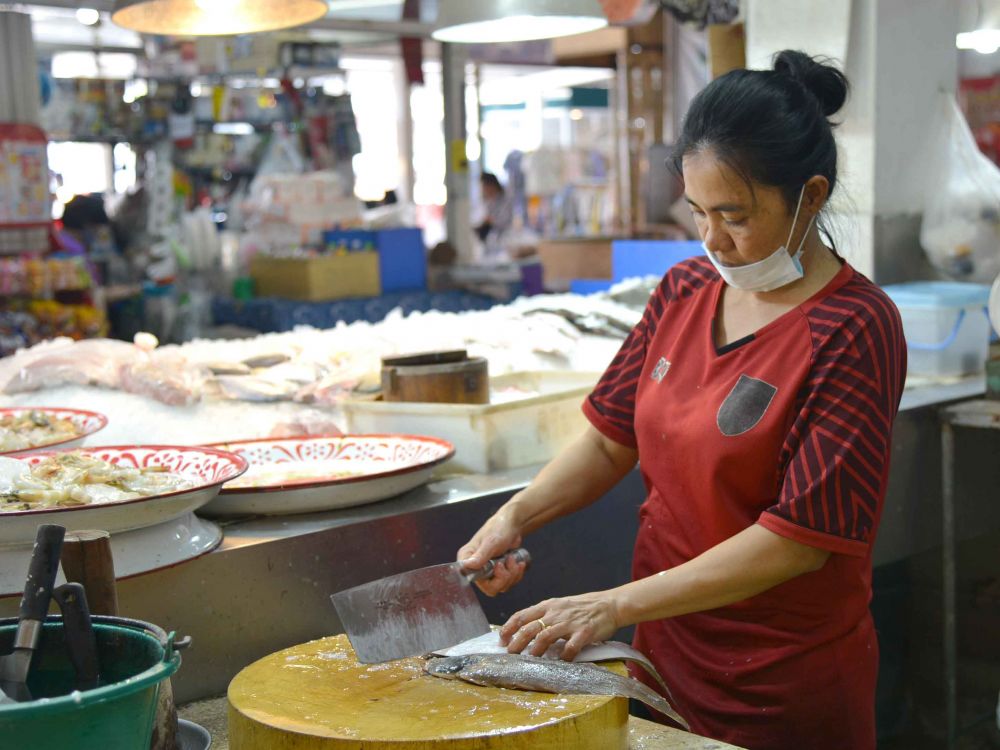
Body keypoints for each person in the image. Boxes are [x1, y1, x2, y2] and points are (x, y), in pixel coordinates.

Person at [456, 51, 906, 750]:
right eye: (697, 212)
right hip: (661, 662)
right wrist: (516, 515)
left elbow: (797, 542)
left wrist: (610, 605)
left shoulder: (853, 326)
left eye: (735, 215)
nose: (712, 238)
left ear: (810, 197)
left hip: (783, 684)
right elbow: (609, 440)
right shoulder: (684, 291)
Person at [474, 172, 513, 254]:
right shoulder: (486, 201)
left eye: (484, 187)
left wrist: (491, 220)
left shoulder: (505, 200)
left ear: (491, 185)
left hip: (505, 240)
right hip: (491, 241)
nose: (483, 190)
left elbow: (506, 221)